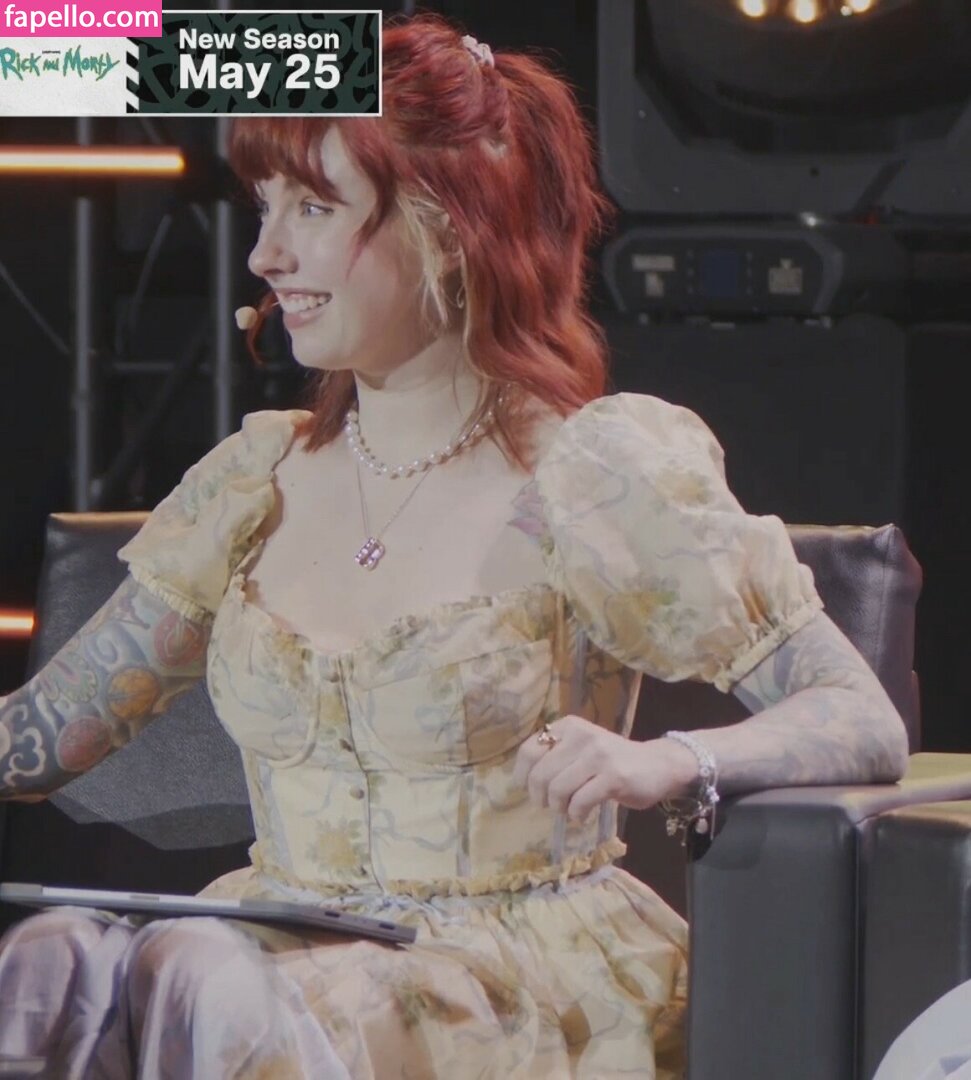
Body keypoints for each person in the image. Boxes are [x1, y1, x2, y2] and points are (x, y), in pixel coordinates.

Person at [0, 13, 909, 1079]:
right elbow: (41, 738)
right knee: (60, 963)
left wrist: (670, 760)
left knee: (203, 980)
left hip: (499, 986)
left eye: (312, 208)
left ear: (446, 224)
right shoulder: (251, 484)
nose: (264, 254)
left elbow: (860, 719)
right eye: (264, 207)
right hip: (269, 953)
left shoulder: (591, 475)